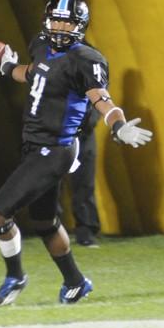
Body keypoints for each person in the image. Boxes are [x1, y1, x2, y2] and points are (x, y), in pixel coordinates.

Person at [0, 0, 152, 306]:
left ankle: (15, 277)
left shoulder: (87, 59)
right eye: (57, 20)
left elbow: (102, 99)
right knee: (45, 223)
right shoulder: (40, 44)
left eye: (68, 21)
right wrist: (8, 68)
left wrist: (119, 125)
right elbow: (34, 75)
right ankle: (75, 282)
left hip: (57, 149)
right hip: (34, 145)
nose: (61, 27)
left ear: (80, 25)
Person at [69, 105, 101, 248]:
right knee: (48, 182)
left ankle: (86, 231)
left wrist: (89, 122)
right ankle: (50, 228)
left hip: (83, 134)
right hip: (54, 132)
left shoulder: (94, 81)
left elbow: (100, 97)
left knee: (85, 182)